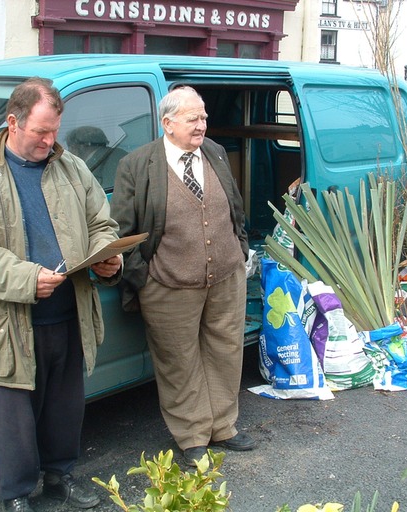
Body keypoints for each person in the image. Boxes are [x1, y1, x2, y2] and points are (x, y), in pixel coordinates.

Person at [0, 77, 122, 512]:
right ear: (12, 122)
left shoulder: (73, 168)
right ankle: (17, 495)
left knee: (65, 410)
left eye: (55, 130)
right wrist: (26, 278)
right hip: (7, 323)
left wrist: (107, 258)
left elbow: (101, 222)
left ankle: (60, 479)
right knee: (14, 421)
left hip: (67, 314)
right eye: (41, 131)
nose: (50, 140)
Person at [110, 85, 256, 467]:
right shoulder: (137, 165)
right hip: (168, 284)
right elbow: (123, 230)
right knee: (179, 360)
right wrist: (145, 276)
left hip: (225, 276)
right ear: (168, 123)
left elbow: (234, 208)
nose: (202, 124)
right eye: (193, 118)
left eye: (204, 116)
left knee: (225, 351)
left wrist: (239, 250)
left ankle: (224, 426)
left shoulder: (216, 153)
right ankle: (193, 435)